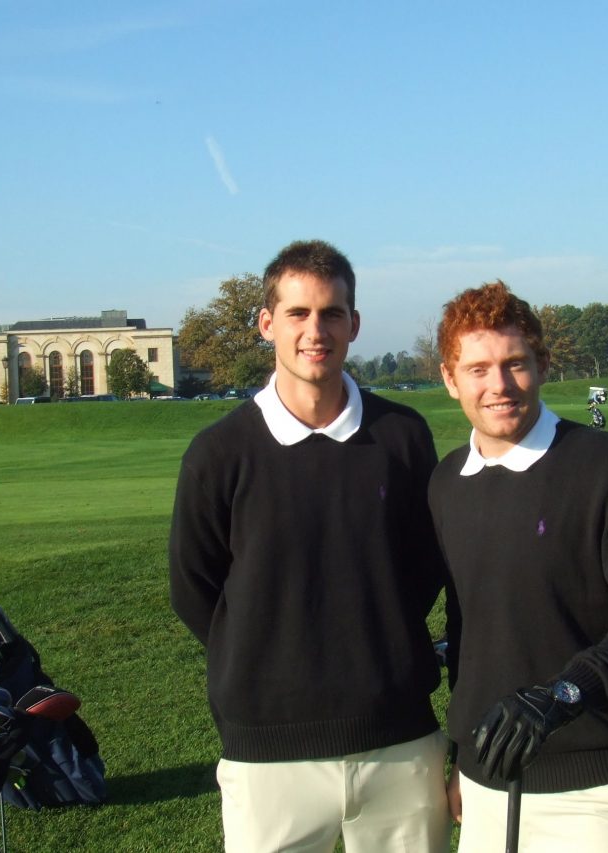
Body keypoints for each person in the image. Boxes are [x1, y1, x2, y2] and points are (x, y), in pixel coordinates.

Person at [168, 239, 451, 853]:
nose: (314, 330)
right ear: (267, 323)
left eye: (331, 313)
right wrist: (267, 657)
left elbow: (425, 566)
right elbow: (194, 588)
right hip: (267, 754)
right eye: (297, 313)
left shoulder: (402, 436)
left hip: (398, 743)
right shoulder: (219, 453)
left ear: (354, 323)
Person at [429, 280, 608, 852]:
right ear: (450, 379)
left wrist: (563, 694)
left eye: (515, 363)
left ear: (542, 364)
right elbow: (472, 628)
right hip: (485, 786)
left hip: (595, 790)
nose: (499, 385)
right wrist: (463, 757)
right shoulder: (445, 483)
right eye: (477, 369)